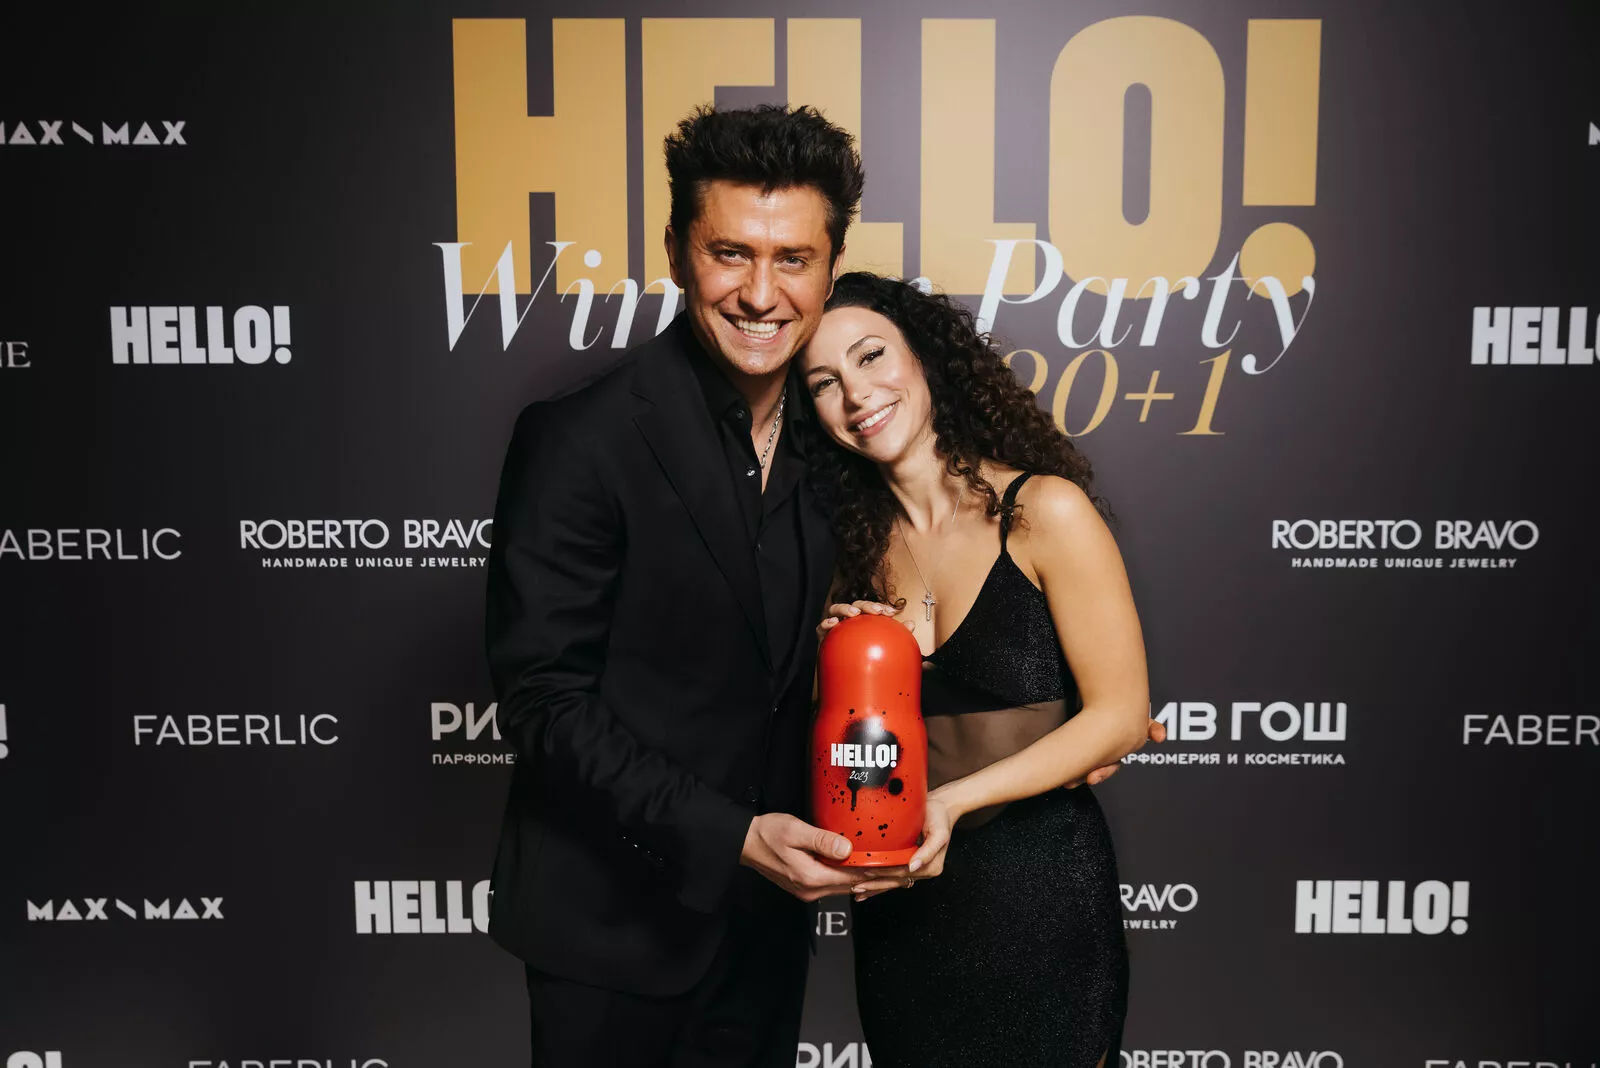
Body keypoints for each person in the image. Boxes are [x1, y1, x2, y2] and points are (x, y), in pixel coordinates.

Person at [485, 103, 1159, 1067]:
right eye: (730, 253)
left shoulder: (837, 458)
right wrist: (732, 837)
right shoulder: (579, 439)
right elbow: (545, 703)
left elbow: (911, 660)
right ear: (676, 251)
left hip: (770, 932)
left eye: (793, 259)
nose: (761, 293)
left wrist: (1075, 728)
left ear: (830, 267)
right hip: (612, 927)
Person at [801, 271, 1153, 1068]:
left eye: (870, 356)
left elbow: (1120, 716)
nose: (856, 394)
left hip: (1041, 896)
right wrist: (839, 663)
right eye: (823, 382)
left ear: (924, 357)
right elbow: (841, 759)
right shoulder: (843, 553)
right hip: (905, 917)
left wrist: (951, 804)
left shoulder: (1043, 511)